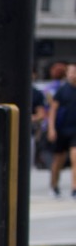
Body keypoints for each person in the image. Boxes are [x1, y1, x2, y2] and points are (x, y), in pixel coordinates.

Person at [52, 64, 76, 197]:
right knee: (59, 160)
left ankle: (74, 188)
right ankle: (54, 185)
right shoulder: (62, 90)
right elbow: (53, 110)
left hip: (75, 130)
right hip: (61, 130)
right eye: (71, 72)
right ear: (67, 74)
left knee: (75, 159)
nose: (73, 75)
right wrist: (51, 129)